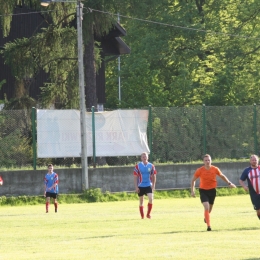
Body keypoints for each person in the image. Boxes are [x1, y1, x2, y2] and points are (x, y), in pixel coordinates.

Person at [190, 154, 236, 231]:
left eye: (209, 160)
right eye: (206, 160)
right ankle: (208, 226)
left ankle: (206, 217)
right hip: (203, 190)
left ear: (211, 161)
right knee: (206, 207)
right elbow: (193, 180)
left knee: (209, 210)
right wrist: (192, 191)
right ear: (203, 161)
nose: (207, 161)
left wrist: (229, 183)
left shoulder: (215, 169)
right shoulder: (199, 170)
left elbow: (222, 176)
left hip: (212, 190)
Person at [133, 152, 157, 219]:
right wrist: (136, 186)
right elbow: (135, 176)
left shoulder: (151, 166)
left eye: (145, 156)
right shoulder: (138, 166)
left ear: (147, 157)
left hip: (148, 184)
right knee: (141, 201)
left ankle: (148, 214)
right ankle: (142, 216)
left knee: (151, 198)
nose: (144, 157)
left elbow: (154, 175)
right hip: (141, 185)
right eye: (143, 157)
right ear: (141, 158)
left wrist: (153, 185)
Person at [239, 154, 260, 220]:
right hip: (254, 194)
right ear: (250, 161)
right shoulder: (247, 170)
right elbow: (241, 180)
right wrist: (244, 186)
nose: (254, 161)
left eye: (255, 160)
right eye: (253, 160)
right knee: (258, 210)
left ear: (258, 161)